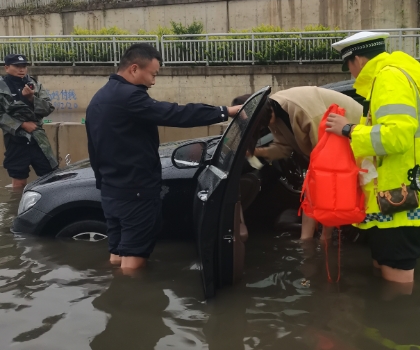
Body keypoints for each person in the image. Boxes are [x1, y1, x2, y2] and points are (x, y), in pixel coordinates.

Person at [86, 43, 241, 273]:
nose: (154, 81)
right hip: (136, 191)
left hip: (111, 190)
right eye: (153, 74)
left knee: (118, 251)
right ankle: (130, 302)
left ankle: (114, 295)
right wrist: (223, 111)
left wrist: (103, 182)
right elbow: (175, 113)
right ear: (134, 69)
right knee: (134, 257)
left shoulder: (100, 97)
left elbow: (93, 148)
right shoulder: (130, 97)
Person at [326, 31, 420, 295]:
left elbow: (396, 137)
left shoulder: (389, 79)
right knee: (385, 274)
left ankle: (400, 332)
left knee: (396, 282)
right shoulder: (385, 78)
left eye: (349, 67)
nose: (351, 74)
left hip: (399, 197)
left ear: (357, 59)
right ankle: (384, 331)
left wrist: (348, 130)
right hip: (389, 198)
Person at [243, 86, 363, 240]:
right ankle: (306, 240)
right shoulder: (271, 110)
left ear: (269, 113)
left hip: (353, 137)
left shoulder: (303, 111)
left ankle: (324, 239)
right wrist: (256, 152)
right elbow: (283, 149)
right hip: (328, 145)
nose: (266, 127)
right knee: (312, 191)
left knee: (324, 188)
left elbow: (327, 156)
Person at [0, 53, 57, 189]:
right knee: (18, 182)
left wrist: (32, 98)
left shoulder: (34, 84)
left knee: (50, 177)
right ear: (7, 67)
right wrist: (22, 125)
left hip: (38, 140)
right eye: (17, 66)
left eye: (24, 66)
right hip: (16, 141)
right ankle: (18, 208)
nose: (22, 69)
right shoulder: (2, 87)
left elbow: (48, 108)